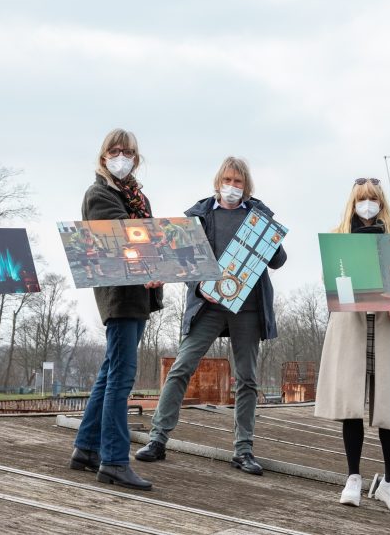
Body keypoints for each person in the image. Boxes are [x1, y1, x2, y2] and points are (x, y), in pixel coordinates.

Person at [135, 157, 287, 475]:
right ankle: (157, 440)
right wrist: (197, 284)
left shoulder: (257, 215)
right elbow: (183, 261)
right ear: (218, 182)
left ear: (246, 186)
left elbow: (278, 261)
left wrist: (268, 236)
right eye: (228, 180)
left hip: (247, 309)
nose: (233, 187)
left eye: (239, 182)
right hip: (207, 306)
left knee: (247, 379)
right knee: (181, 368)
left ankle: (243, 450)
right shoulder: (199, 216)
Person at [314, 177, 390, 513]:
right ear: (353, 202)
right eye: (362, 199)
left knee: (389, 404)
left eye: (373, 199)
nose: (367, 205)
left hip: (388, 329)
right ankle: (353, 477)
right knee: (351, 403)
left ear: (381, 203)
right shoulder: (338, 239)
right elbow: (332, 285)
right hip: (352, 327)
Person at [69, 129, 163, 491]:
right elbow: (126, 239)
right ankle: (114, 460)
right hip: (120, 296)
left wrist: (158, 263)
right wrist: (155, 260)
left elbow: (147, 239)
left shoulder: (135, 196)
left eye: (128, 152)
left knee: (110, 372)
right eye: (115, 150)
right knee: (121, 378)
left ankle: (86, 448)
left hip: (136, 295)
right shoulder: (100, 195)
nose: (122, 157)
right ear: (104, 155)